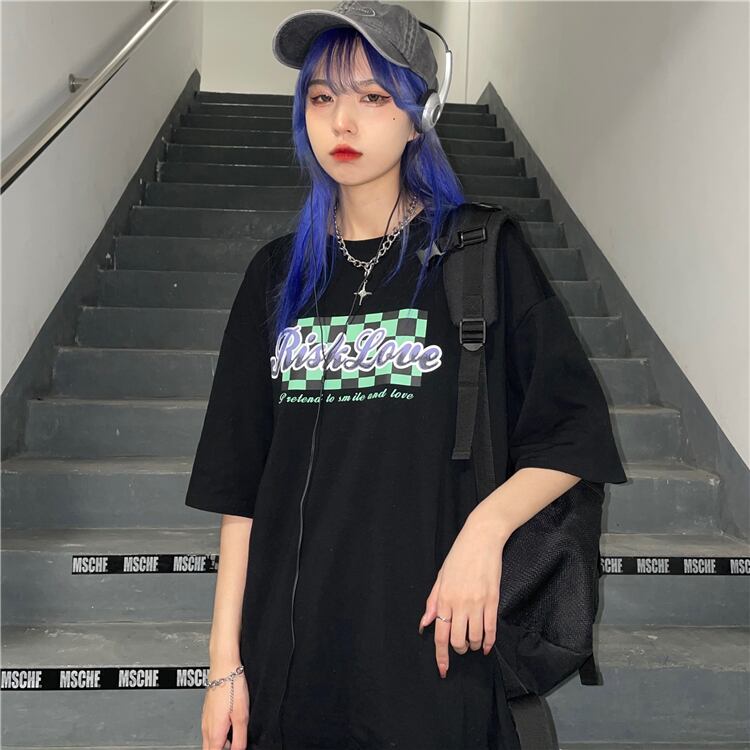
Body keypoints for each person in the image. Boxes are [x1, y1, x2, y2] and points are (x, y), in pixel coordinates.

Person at [184, 2, 628, 749]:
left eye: (372, 96)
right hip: (290, 659)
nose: (341, 121)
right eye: (321, 96)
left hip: (434, 649)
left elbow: (572, 433)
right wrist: (224, 663)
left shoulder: (478, 254)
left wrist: (485, 531)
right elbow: (241, 492)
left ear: (421, 114)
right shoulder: (275, 276)